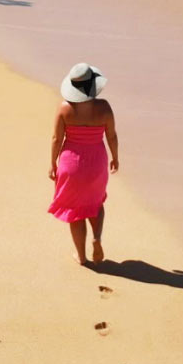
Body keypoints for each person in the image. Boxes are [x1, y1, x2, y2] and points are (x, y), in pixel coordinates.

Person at [48, 62, 119, 265]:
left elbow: (56, 139)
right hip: (96, 163)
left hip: (71, 164)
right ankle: (97, 238)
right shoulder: (104, 108)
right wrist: (115, 157)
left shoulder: (64, 108)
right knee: (96, 204)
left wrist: (52, 163)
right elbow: (112, 136)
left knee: (74, 210)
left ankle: (81, 256)